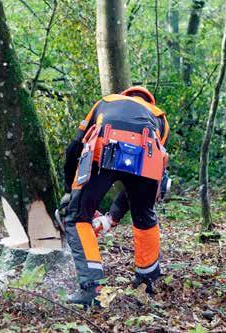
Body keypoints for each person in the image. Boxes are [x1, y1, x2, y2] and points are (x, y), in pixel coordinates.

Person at [61, 86, 170, 307]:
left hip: (106, 145)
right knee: (144, 216)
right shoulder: (160, 117)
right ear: (149, 101)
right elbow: (140, 178)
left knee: (78, 217)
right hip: (148, 152)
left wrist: (70, 192)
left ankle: (92, 288)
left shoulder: (106, 102)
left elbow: (75, 147)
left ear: (125, 96)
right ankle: (147, 281)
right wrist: (112, 217)